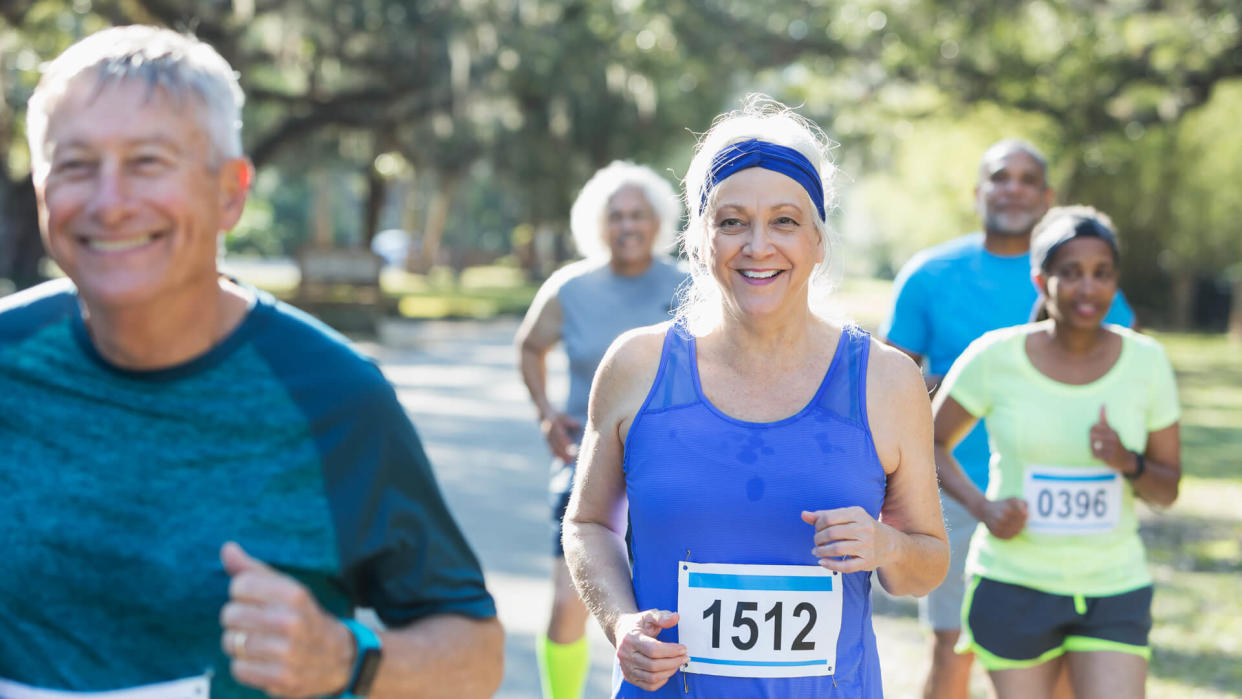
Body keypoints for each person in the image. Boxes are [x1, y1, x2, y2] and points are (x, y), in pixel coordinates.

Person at [0, 26, 502, 698]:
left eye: (148, 161)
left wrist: (344, 658)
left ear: (231, 192)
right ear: (40, 188)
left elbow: (476, 654)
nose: (109, 201)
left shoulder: (333, 397)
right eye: (75, 164)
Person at [562, 97, 949, 698]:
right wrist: (618, 623)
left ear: (819, 241)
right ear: (698, 240)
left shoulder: (886, 380)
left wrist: (887, 545)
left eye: (786, 222)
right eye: (732, 221)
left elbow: (926, 564)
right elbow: (589, 523)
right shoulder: (637, 366)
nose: (758, 246)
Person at [881, 139, 1137, 699]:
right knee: (952, 650)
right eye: (1001, 177)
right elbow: (889, 384)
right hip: (951, 492)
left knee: (1060, 663)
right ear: (979, 193)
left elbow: (1126, 371)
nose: (1013, 188)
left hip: (1056, 494)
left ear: (1047, 197)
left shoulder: (1080, 273)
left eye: (1027, 180)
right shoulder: (930, 274)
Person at [931, 206, 1180, 699]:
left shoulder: (1147, 362)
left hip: (1113, 587)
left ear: (1115, 282)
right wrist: (982, 507)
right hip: (1013, 585)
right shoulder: (994, 356)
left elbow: (1167, 490)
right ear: (1041, 279)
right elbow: (929, 442)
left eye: (1101, 274)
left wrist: (1127, 462)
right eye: (1071, 273)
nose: (1088, 288)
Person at [515, 161, 688, 699]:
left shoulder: (691, 286)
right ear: (599, 223)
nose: (628, 225)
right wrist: (546, 412)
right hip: (584, 467)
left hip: (671, 468)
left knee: (659, 612)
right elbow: (529, 346)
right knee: (569, 605)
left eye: (638, 214)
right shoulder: (571, 287)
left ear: (658, 221)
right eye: (616, 216)